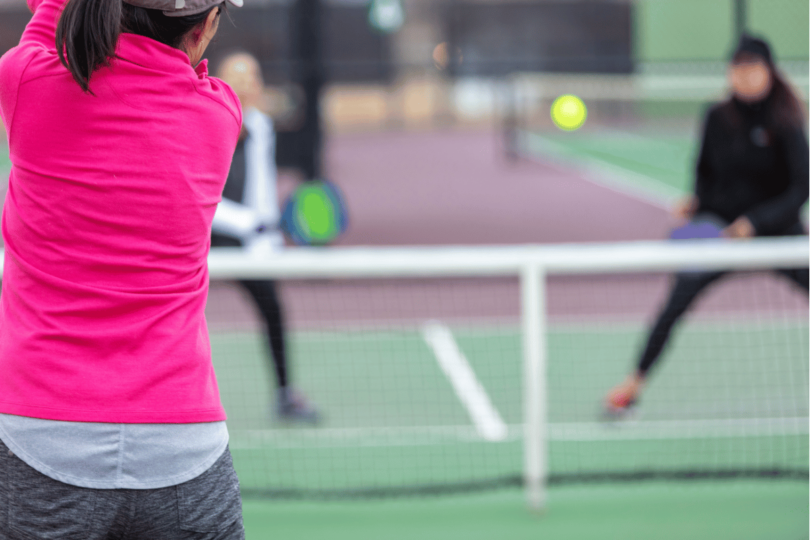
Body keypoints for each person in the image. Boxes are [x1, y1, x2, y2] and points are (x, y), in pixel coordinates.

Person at [0, 0, 247, 537]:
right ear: (204, 28)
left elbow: (45, 32)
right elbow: (185, 74)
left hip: (41, 434)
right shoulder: (220, 115)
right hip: (183, 442)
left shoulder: (27, 83)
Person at [605, 35, 809, 416]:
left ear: (769, 71)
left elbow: (801, 187)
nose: (745, 76)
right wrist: (697, 203)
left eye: (753, 67)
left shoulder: (786, 119)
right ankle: (633, 382)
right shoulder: (716, 117)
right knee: (676, 298)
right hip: (721, 230)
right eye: (739, 68)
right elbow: (703, 173)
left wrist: (756, 222)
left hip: (778, 231)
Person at [212, 52, 320, 423]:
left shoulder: (260, 126)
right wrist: (247, 224)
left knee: (273, 311)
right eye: (238, 75)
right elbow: (203, 198)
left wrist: (268, 235)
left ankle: (285, 395)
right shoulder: (210, 124)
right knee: (174, 316)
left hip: (248, 246)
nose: (247, 83)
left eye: (253, 75)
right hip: (203, 243)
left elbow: (260, 188)